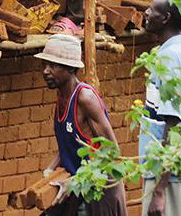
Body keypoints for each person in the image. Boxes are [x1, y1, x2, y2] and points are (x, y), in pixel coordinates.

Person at [35, 35, 128, 216]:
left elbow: (111, 152)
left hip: (99, 191)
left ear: (70, 68)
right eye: (44, 65)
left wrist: (74, 182)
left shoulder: (85, 99)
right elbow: (69, 147)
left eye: (52, 66)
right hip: (77, 188)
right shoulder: (61, 98)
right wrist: (50, 170)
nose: (45, 71)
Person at [138, 0, 181, 216]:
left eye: (151, 9)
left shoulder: (170, 58)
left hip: (168, 176)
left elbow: (173, 124)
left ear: (165, 18)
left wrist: (159, 189)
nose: (146, 13)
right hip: (180, 171)